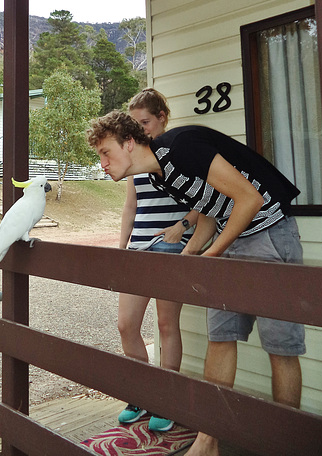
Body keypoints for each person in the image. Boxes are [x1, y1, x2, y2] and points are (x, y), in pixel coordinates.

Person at [87, 111, 305, 456]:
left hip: (270, 233)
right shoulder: (160, 175)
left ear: (129, 143)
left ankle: (286, 445)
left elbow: (250, 199)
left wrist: (210, 256)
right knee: (220, 336)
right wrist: (191, 257)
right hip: (228, 237)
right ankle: (207, 441)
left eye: (105, 152)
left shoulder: (181, 147)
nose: (102, 163)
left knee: (281, 347)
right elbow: (209, 211)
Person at [118, 89, 198, 432]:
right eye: (134, 125)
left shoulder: (180, 154)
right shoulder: (134, 157)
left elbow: (207, 200)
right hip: (138, 250)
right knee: (126, 325)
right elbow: (130, 207)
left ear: (162, 117)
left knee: (167, 326)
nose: (139, 130)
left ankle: (167, 399)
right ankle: (143, 393)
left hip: (171, 251)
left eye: (145, 122)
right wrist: (122, 248)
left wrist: (182, 226)